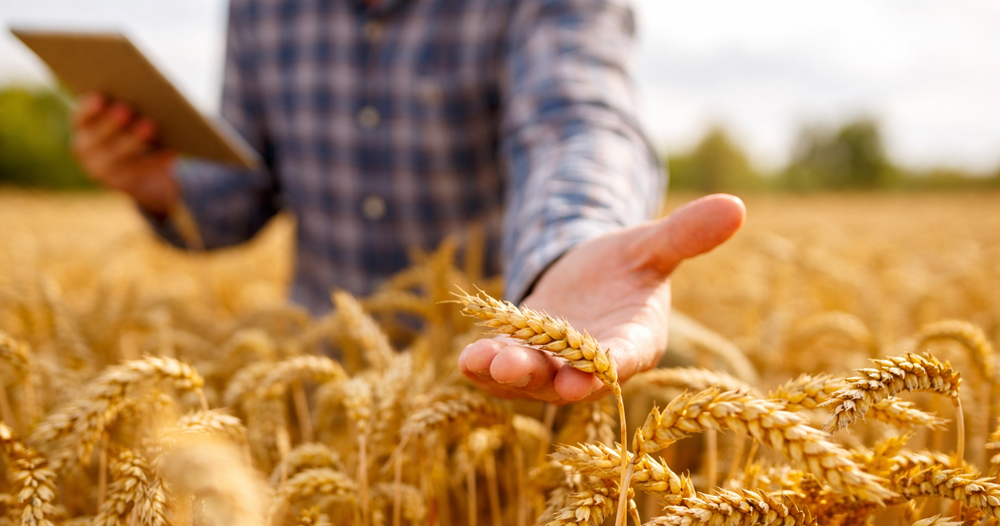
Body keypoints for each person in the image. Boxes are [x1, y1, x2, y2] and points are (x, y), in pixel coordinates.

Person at [71, 0, 745, 405]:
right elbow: (243, 192)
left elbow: (575, 123)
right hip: (327, 365)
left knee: (714, 388)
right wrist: (159, 183)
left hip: (514, 342)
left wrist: (568, 245)